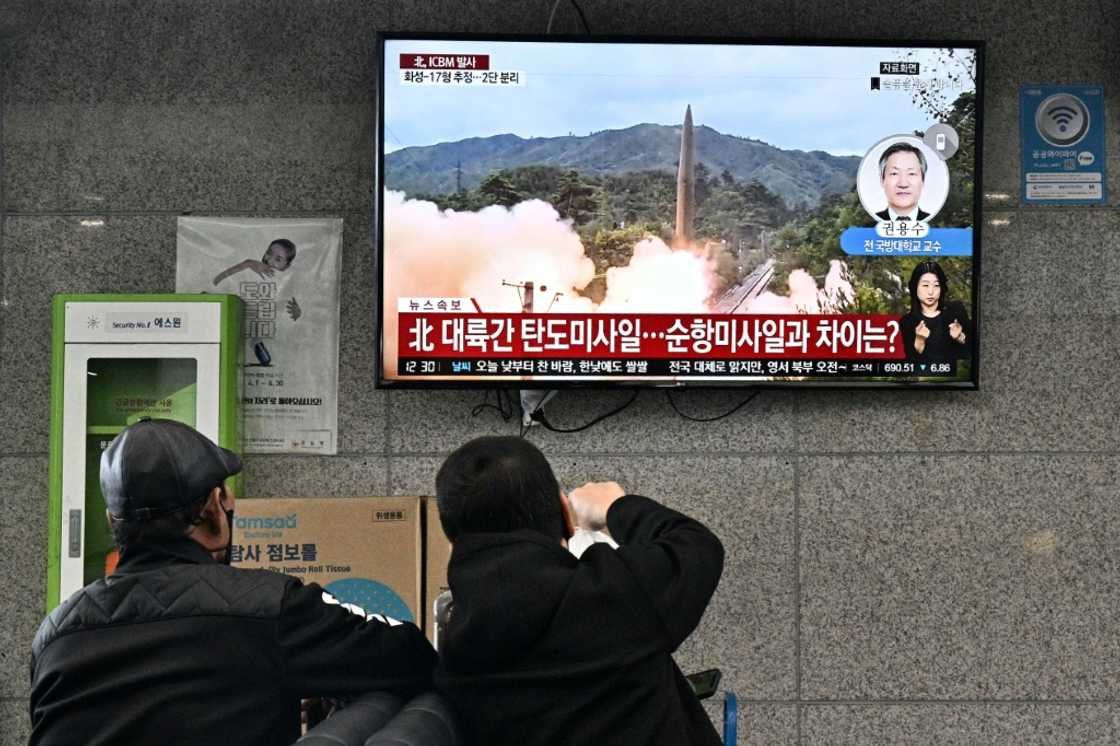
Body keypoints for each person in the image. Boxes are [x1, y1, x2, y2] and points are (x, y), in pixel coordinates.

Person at [29, 418, 437, 746]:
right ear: (214, 508)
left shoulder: (54, 635)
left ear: (112, 522)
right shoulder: (270, 606)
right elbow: (410, 654)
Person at [432, 436, 725, 746]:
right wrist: (616, 506)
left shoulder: (454, 661)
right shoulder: (618, 594)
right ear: (564, 512)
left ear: (452, 545)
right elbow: (698, 546)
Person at [900, 260, 970, 365]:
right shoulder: (907, 321)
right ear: (915, 287)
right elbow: (911, 364)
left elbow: (971, 352)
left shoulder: (956, 310)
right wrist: (920, 340)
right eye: (925, 285)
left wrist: (960, 337)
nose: (931, 292)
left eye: (936, 285)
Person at [213, 237, 301, 320]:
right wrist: (247, 264)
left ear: (286, 266)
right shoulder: (249, 269)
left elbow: (295, 315)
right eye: (269, 253)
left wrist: (297, 313)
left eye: (278, 259)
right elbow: (216, 282)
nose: (269, 260)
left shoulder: (287, 283)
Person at [875, 142, 931, 222]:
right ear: (882, 180)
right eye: (894, 173)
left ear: (923, 180)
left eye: (911, 174)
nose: (903, 184)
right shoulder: (868, 226)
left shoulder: (935, 225)